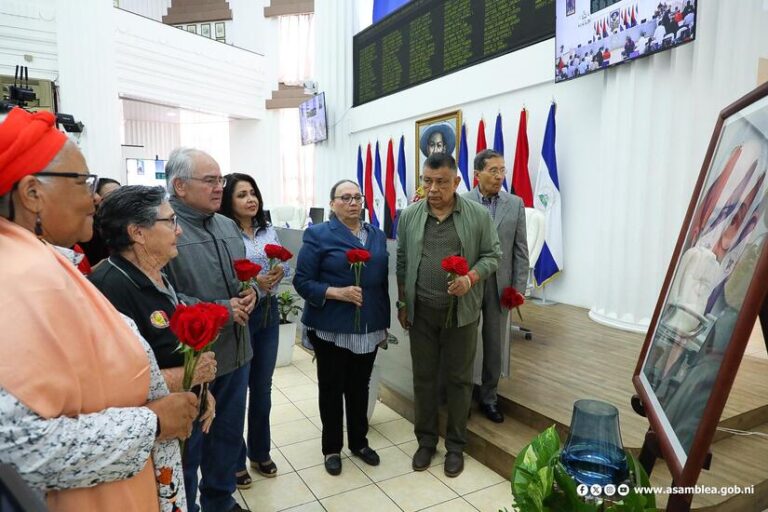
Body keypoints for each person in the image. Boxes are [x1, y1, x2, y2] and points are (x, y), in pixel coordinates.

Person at [0, 106, 197, 511]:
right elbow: (21, 452)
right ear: (32, 193)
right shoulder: (20, 276)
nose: (94, 196)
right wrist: (155, 422)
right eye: (81, 181)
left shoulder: (47, 261)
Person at [396, 153, 501, 477]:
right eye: (427, 181)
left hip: (462, 315)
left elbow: (492, 255)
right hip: (422, 313)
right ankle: (426, 441)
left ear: (456, 182)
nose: (433, 189)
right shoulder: (410, 215)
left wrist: (470, 277)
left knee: (458, 381)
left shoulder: (477, 215)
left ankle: (456, 446)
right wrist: (403, 304)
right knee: (424, 379)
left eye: (441, 182)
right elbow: (401, 260)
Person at [164, 147, 255, 512]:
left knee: (228, 436)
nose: (220, 187)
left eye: (221, 179)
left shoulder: (227, 225)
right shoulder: (164, 227)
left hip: (237, 352)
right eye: (210, 181)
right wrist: (221, 309)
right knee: (190, 443)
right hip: (192, 361)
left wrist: (252, 296)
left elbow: (241, 280)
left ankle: (220, 499)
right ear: (180, 185)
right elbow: (162, 298)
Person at [89, 184, 217, 428]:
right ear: (137, 232)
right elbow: (111, 381)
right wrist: (189, 375)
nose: (179, 231)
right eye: (170, 221)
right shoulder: (108, 289)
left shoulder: (156, 274)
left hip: (181, 416)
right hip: (147, 432)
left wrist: (201, 390)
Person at [293, 179, 390, 476]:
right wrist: (338, 292)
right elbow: (302, 281)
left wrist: (384, 321)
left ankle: (359, 442)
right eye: (345, 197)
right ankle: (331, 448)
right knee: (332, 388)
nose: (352, 202)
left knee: (360, 387)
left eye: (357, 197)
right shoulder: (318, 235)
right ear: (332, 203)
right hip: (332, 326)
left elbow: (382, 281)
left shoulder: (376, 234)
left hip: (369, 324)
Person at [219, 173, 291, 486]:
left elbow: (285, 265)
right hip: (241, 314)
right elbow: (225, 275)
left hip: (268, 313)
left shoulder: (267, 228)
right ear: (228, 202)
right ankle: (235, 458)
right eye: (241, 195)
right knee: (237, 390)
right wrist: (253, 285)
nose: (250, 199)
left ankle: (260, 452)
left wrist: (278, 272)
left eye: (253, 193)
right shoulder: (223, 232)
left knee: (262, 387)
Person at [462, 150, 528, 424]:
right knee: (464, 343)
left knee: (494, 344)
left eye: (503, 170)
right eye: (494, 170)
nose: (500, 176)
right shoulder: (462, 202)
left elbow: (520, 250)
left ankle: (489, 398)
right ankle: (462, 398)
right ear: (477, 174)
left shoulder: (515, 204)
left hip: (500, 286)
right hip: (469, 283)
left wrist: (519, 288)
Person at [80, 177, 121, 266]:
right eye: (111, 196)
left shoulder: (125, 226)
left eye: (121, 195)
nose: (119, 201)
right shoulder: (88, 232)